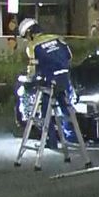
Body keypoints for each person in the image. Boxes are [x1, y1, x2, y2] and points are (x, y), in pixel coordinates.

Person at [19, 18, 75, 147]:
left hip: (50, 82)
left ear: (29, 33)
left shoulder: (33, 46)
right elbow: (69, 56)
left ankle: (52, 141)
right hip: (64, 78)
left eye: (26, 36)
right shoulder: (57, 38)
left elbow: (33, 68)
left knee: (46, 111)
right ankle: (72, 136)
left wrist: (29, 79)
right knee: (65, 107)